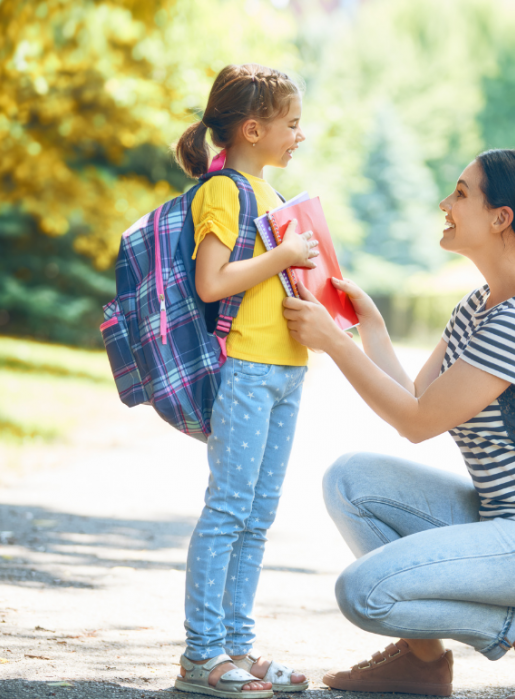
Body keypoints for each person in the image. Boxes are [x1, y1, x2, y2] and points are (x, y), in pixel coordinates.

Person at [283, 149, 515, 699]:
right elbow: (415, 397)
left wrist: (334, 343)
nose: (444, 203)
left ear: (501, 217)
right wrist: (370, 329)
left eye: (460, 193)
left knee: (364, 593)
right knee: (350, 480)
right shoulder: (480, 305)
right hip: (501, 520)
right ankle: (423, 663)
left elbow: (417, 423)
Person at [170, 63, 318, 698]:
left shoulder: (276, 197)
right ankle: (201, 656)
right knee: (229, 510)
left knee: (258, 516)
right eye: (291, 124)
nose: (299, 136)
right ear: (253, 129)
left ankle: (236, 645)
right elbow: (213, 282)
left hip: (287, 369)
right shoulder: (224, 191)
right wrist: (283, 257)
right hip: (248, 370)